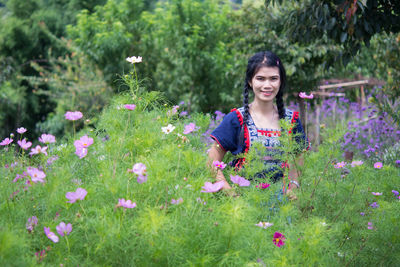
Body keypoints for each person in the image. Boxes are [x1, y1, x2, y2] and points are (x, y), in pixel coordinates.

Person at [207, 51, 308, 197]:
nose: (267, 85)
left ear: (281, 82)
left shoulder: (291, 120)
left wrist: (293, 188)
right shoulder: (236, 119)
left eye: (273, 79)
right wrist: (231, 194)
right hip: (244, 206)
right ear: (250, 81)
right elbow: (212, 162)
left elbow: (299, 158)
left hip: (283, 208)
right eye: (260, 78)